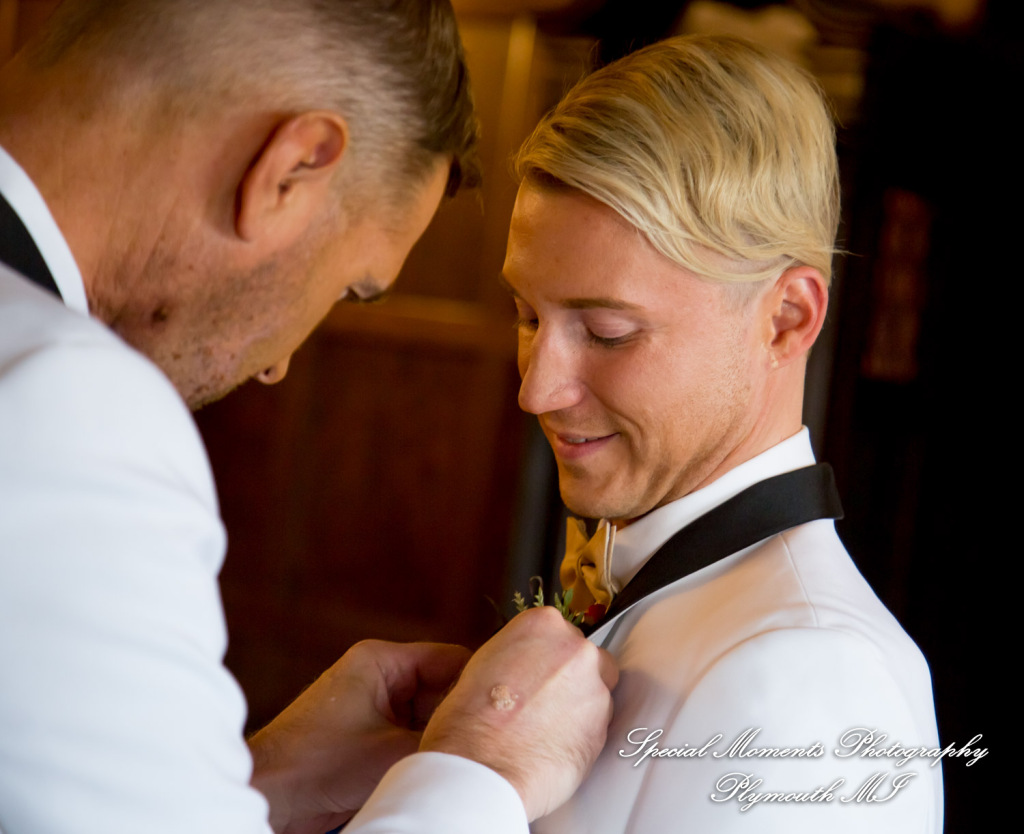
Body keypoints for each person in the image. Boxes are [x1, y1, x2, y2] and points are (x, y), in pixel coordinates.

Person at [0, 2, 616, 833]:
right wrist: (480, 774)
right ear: (291, 167)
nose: (278, 363)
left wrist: (248, 780)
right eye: (349, 286)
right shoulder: (66, 403)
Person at [501, 35, 942, 832]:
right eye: (528, 315)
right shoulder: (646, 583)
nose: (536, 388)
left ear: (785, 319)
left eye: (606, 332)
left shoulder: (815, 677)